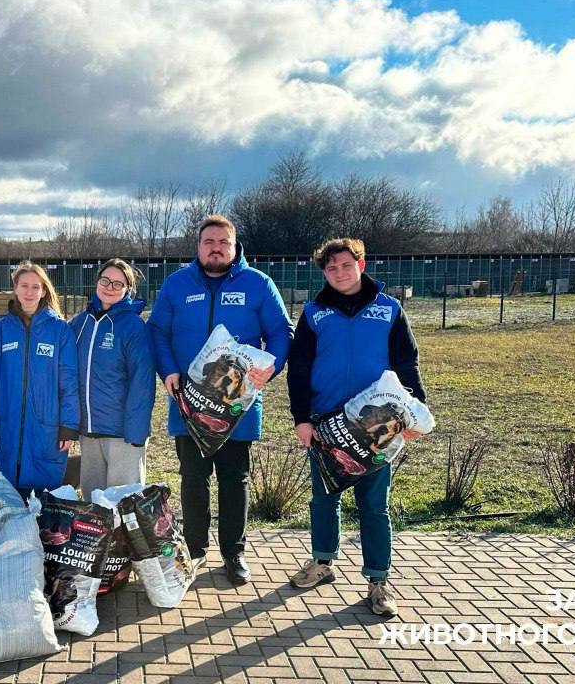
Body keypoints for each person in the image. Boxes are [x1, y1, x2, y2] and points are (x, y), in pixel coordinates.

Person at [148, 214, 291, 586]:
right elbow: (158, 331)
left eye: (222, 243)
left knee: (234, 479)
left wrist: (270, 367)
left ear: (234, 246)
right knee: (193, 478)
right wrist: (168, 372)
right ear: (199, 247)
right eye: (209, 242)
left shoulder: (258, 284)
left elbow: (280, 331)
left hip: (236, 407)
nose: (216, 248)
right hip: (189, 403)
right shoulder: (178, 284)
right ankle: (195, 550)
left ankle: (234, 552)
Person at [286, 237, 426, 618]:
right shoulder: (314, 313)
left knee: (373, 505)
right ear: (324, 273)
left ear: (361, 265)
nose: (339, 273)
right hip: (326, 424)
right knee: (324, 498)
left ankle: (378, 581)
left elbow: (406, 362)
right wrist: (301, 417)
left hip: (377, 424)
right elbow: (298, 367)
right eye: (331, 268)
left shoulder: (389, 309)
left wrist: (414, 411)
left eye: (346, 265)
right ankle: (322, 562)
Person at [0, 261, 80, 497]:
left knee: (47, 503)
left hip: (48, 429)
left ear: (44, 291)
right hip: (9, 426)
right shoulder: (1, 330)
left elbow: (69, 382)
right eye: (24, 285)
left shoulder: (59, 330)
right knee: (13, 498)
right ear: (15, 288)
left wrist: (69, 425)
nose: (29, 292)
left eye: (35, 287)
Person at [67, 258, 155, 499]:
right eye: (105, 280)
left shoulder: (133, 327)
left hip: (122, 434)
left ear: (128, 289)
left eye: (118, 283)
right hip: (89, 431)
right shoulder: (80, 323)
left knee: (123, 504)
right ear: (97, 282)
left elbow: (142, 382)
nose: (110, 287)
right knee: (92, 506)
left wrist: (136, 433)